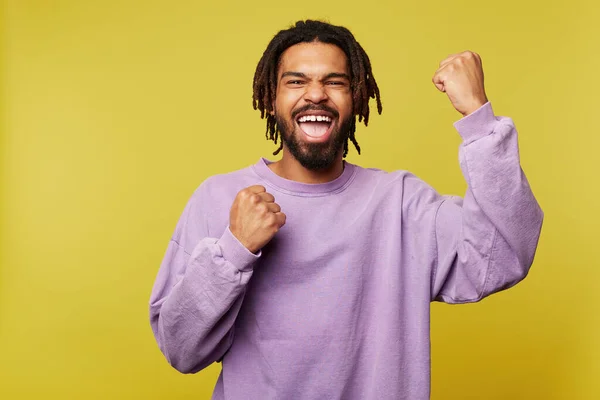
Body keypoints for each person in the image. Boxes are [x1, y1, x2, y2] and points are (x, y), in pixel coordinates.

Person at [149, 19, 543, 400]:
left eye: (334, 82)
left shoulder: (401, 203)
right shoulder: (219, 198)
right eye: (296, 81)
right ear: (271, 98)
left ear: (357, 99)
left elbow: (503, 255)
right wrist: (233, 251)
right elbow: (181, 349)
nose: (316, 94)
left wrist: (479, 120)